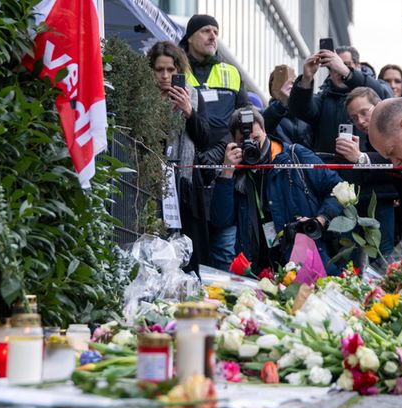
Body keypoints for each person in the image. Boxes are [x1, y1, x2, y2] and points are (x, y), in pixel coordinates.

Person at [210, 107, 343, 273]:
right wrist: (227, 172)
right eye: (245, 142)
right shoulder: (234, 170)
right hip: (258, 268)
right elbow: (221, 220)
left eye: (256, 138)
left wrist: (321, 220)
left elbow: (338, 189)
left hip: (304, 260)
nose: (253, 146)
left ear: (265, 130)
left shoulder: (294, 156)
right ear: (233, 142)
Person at [179, 14, 248, 270]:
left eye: (215, 32)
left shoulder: (231, 72)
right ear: (190, 37)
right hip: (188, 166)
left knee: (221, 249)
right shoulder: (176, 70)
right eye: (206, 30)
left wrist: (224, 148)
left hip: (223, 166)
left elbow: (245, 117)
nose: (212, 36)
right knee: (189, 249)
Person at [147, 41, 211, 274]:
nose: (165, 76)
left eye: (171, 70)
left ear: (179, 71)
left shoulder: (192, 96)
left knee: (188, 256)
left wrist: (188, 112)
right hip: (149, 185)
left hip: (185, 187)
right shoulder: (143, 99)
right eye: (159, 69)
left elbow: (205, 139)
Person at [289, 45, 392, 153]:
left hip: (368, 165)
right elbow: (299, 109)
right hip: (329, 167)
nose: (338, 70)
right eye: (333, 66)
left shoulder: (375, 86)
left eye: (345, 64)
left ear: (357, 66)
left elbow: (385, 98)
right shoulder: (323, 99)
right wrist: (307, 78)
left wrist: (347, 72)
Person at [338, 87, 399, 256]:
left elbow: (395, 159)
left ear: (379, 106)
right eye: (354, 118)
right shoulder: (361, 136)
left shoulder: (395, 127)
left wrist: (360, 157)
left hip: (384, 200)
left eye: (364, 112)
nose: (361, 121)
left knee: (383, 253)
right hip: (359, 200)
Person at [262, 65, 313, 148]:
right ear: (272, 87)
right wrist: (282, 103)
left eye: (293, 83)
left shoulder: (307, 113)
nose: (287, 87)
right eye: (280, 82)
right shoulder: (266, 114)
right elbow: (264, 127)